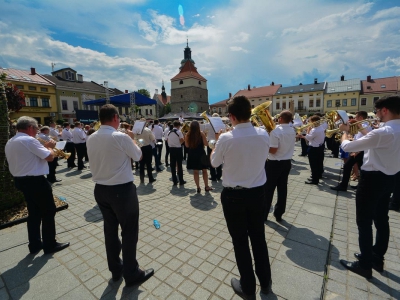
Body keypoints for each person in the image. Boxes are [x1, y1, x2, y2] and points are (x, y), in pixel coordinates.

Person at [211, 96, 271, 299]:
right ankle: (266, 283)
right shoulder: (263, 134)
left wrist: (215, 143)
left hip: (234, 196)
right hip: (257, 193)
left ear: (232, 116)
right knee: (259, 238)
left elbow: (214, 163)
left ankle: (248, 287)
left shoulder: (226, 138)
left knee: (240, 242)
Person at [87, 104, 154, 286]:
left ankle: (116, 269)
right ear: (116, 118)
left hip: (100, 189)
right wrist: (131, 139)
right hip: (121, 190)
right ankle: (131, 273)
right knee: (129, 231)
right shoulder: (121, 137)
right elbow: (138, 155)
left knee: (110, 231)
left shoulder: (91, 138)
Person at [338, 95, 400, 279]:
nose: (376, 115)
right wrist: (365, 131)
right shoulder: (387, 131)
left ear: (385, 110)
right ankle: (376, 257)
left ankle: (364, 264)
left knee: (364, 222)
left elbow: (348, 146)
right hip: (390, 178)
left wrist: (345, 132)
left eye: (377, 111)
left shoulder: (383, 132)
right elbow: (376, 143)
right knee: (382, 219)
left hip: (372, 180)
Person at [5, 116, 69, 254]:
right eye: (36, 128)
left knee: (34, 213)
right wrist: (51, 147)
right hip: (35, 181)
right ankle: (50, 244)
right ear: (30, 127)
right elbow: (50, 157)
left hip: (21, 180)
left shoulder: (11, 141)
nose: (37, 131)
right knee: (49, 211)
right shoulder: (29, 140)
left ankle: (34, 244)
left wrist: (44, 148)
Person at [265, 110, 296, 222]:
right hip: (286, 162)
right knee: (282, 189)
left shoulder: (276, 131)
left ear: (281, 119)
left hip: (274, 163)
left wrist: (265, 146)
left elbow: (273, 150)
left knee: (268, 189)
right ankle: (279, 214)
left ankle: (264, 214)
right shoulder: (292, 130)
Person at [330, 111, 370, 192]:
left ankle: (344, 185)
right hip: (359, 150)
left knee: (348, 166)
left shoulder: (365, 126)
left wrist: (357, 150)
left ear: (361, 118)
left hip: (360, 151)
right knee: (360, 168)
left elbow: (365, 140)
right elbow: (358, 137)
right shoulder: (362, 125)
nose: (354, 118)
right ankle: (360, 185)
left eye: (356, 117)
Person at [185, 121, 213, 193]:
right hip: (201, 153)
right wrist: (205, 136)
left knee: (196, 172)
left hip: (192, 154)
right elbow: (206, 144)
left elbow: (187, 146)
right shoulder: (201, 133)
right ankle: (206, 186)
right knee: (204, 171)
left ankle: (198, 187)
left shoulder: (188, 134)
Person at [297, 115, 325, 185]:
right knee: (318, 163)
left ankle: (315, 180)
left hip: (314, 148)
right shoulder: (321, 127)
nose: (309, 122)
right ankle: (316, 176)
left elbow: (308, 138)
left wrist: (302, 135)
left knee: (313, 165)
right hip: (319, 147)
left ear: (313, 122)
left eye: (310, 121)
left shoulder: (314, 130)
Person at [135, 119, 156, 183]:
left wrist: (140, 143)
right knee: (148, 164)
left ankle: (142, 179)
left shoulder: (136, 131)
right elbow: (153, 139)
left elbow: (135, 139)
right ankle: (150, 178)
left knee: (141, 164)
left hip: (140, 147)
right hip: (147, 147)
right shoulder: (147, 130)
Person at [167, 120, 186, 186]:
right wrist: (180, 142)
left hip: (171, 149)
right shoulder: (179, 132)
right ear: (178, 126)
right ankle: (181, 180)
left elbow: (167, 140)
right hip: (178, 149)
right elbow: (182, 141)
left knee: (172, 165)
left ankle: (174, 181)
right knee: (179, 165)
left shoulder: (169, 132)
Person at [206, 113, 223, 181]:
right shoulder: (221, 125)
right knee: (219, 158)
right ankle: (219, 175)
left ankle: (213, 176)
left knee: (211, 159)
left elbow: (204, 130)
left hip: (210, 143)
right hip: (219, 143)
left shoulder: (209, 124)